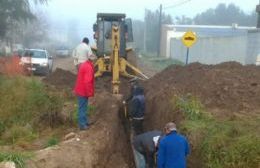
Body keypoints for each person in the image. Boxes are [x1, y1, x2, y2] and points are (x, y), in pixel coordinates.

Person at [73, 54, 97, 130]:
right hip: (83, 91)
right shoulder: (89, 68)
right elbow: (87, 82)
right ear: (92, 61)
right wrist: (89, 92)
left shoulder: (84, 64)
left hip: (81, 89)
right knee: (82, 108)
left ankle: (84, 122)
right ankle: (82, 125)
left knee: (83, 107)